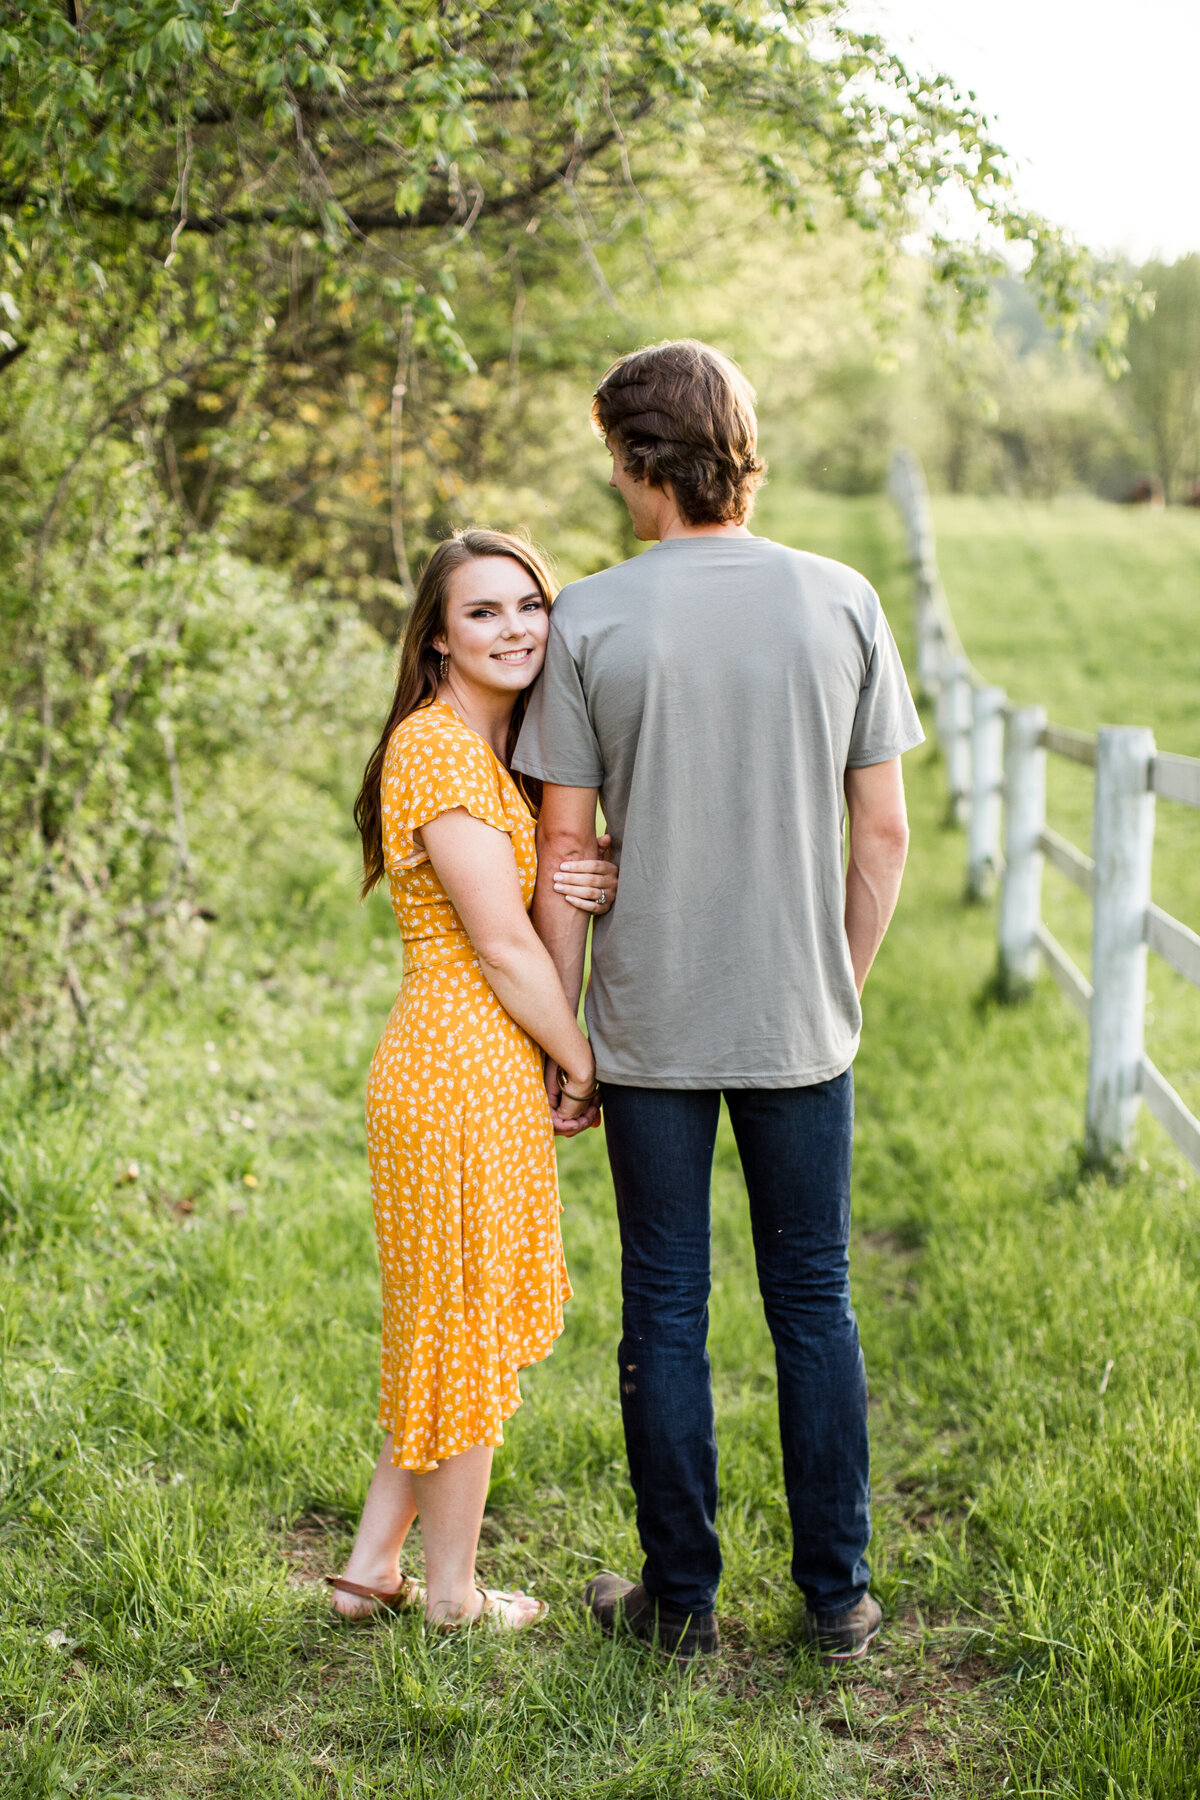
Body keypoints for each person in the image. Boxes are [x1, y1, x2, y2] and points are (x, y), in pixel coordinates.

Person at [513, 340, 924, 1663]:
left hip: (650, 1028)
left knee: (668, 1301)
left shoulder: (590, 617)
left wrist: (562, 1043)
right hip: (801, 1023)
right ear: (736, 452)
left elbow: (563, 865)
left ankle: (678, 1604)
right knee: (815, 1295)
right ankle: (839, 1598)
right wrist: (832, 986)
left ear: (639, 464)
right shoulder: (844, 600)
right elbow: (884, 840)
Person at [331, 530, 619, 1631]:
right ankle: (450, 1595)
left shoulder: (493, 759)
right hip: (453, 1071)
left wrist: (588, 865)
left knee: (448, 1325)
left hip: (476, 1069)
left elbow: (530, 881)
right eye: (485, 612)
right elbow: (501, 945)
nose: (516, 629)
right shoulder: (439, 749)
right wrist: (585, 1065)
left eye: (530, 606)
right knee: (460, 1332)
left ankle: (370, 1570)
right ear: (439, 638)